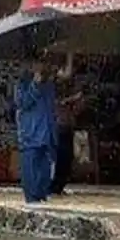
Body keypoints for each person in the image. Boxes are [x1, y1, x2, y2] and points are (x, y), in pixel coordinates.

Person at [15, 58, 58, 206]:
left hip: (47, 132)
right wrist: (34, 84)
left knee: (45, 167)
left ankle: (42, 194)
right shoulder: (23, 85)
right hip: (30, 133)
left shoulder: (49, 85)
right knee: (30, 167)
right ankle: (32, 197)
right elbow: (23, 103)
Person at [50, 54, 81, 196]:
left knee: (66, 157)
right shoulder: (53, 85)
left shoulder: (67, 86)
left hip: (66, 124)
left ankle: (58, 185)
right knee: (60, 156)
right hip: (58, 125)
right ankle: (54, 186)